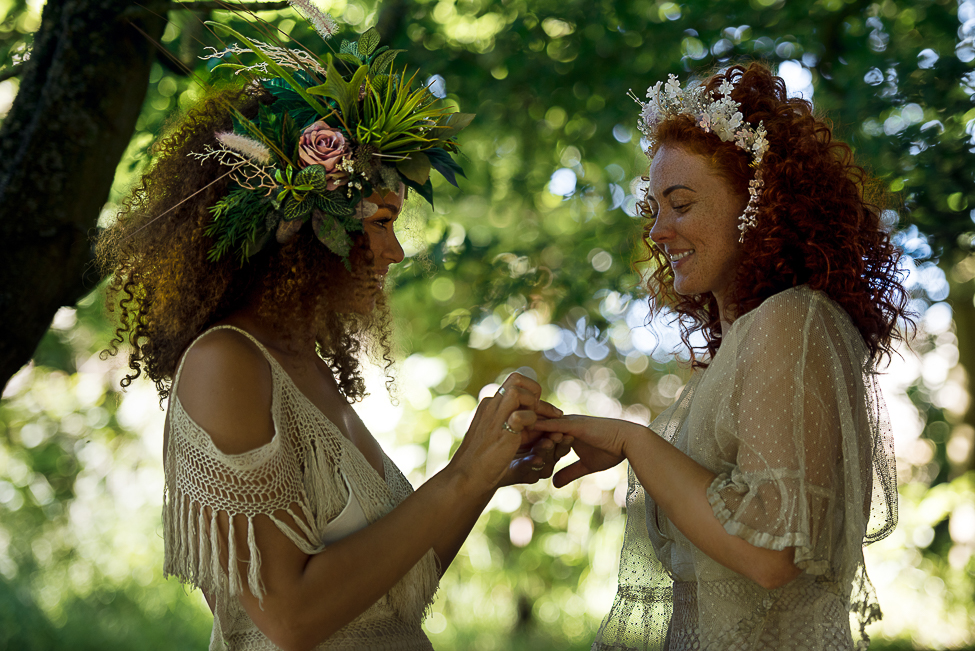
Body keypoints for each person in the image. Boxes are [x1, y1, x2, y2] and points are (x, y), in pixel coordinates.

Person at [96, 10, 569, 651]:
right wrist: (459, 475)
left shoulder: (305, 364)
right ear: (301, 224)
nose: (395, 252)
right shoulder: (226, 363)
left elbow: (385, 597)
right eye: (380, 219)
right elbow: (290, 619)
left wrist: (483, 475)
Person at [534, 62, 910, 650]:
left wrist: (636, 442)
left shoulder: (791, 321)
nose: (658, 232)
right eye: (654, 208)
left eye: (680, 205)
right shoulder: (751, 338)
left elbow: (771, 553)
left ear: (759, 204)